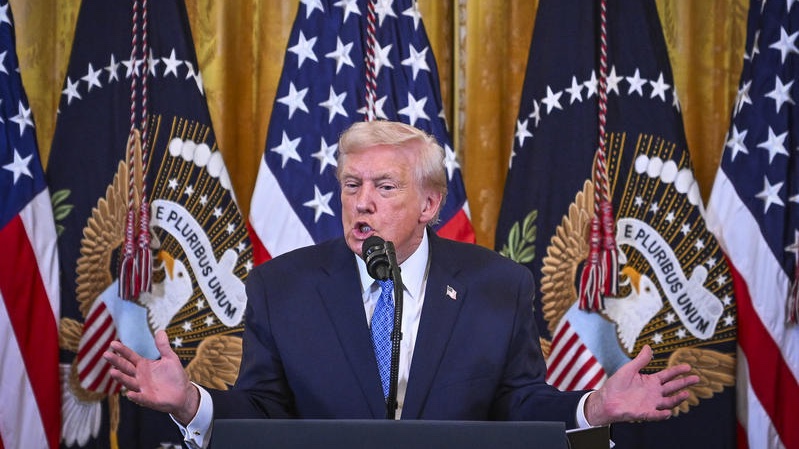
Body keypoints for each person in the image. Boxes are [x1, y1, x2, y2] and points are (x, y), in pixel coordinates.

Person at [104, 120, 698, 448]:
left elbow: (518, 403)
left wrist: (595, 407)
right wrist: (189, 403)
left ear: (429, 204)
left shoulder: (498, 285)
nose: (362, 204)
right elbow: (266, 411)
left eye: (384, 188)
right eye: (351, 185)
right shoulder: (281, 287)